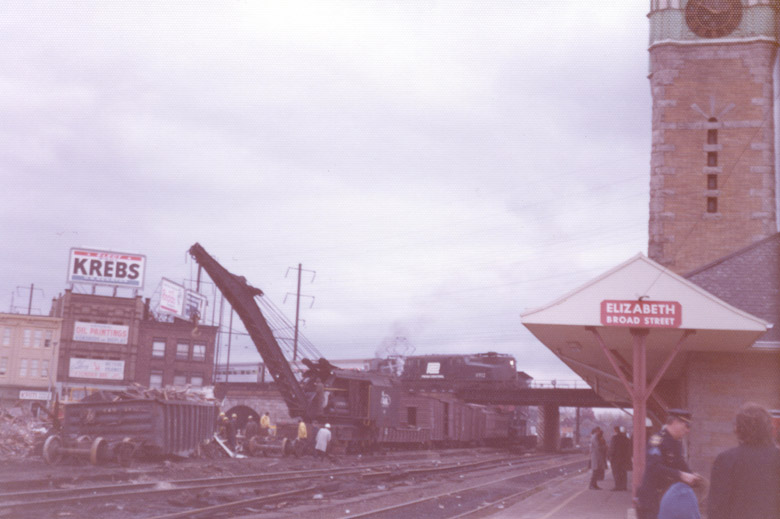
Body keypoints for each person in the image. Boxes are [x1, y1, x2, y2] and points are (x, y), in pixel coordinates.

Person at [707, 403, 780, 519]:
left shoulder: (726, 459)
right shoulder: (777, 458)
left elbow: (716, 507)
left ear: (738, 429)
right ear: (768, 428)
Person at [635, 409, 701, 519]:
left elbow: (679, 462)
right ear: (675, 422)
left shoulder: (676, 442)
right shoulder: (657, 440)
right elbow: (653, 467)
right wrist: (681, 475)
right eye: (686, 426)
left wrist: (691, 475)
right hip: (651, 498)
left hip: (665, 497)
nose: (688, 430)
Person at [609, 426, 631, 491]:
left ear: (615, 430)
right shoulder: (626, 438)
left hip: (616, 458)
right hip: (624, 458)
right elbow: (629, 448)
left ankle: (618, 486)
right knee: (623, 472)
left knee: (616, 472)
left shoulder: (614, 438)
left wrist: (610, 455)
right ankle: (624, 486)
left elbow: (612, 448)